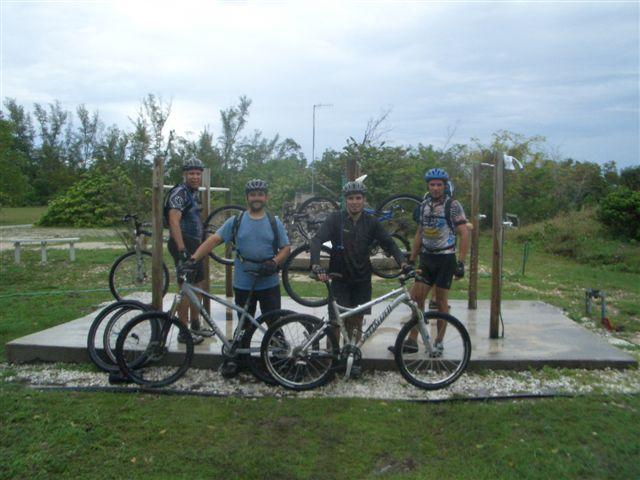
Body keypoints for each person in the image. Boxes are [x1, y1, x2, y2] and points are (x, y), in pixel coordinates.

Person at [310, 180, 411, 377]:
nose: (355, 202)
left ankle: (353, 358)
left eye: (358, 198)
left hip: (362, 278)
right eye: (350, 198)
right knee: (335, 323)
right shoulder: (335, 219)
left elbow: (389, 244)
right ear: (345, 200)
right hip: (339, 277)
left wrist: (403, 263)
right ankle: (332, 361)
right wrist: (315, 265)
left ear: (364, 200)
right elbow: (316, 240)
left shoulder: (371, 222)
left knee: (356, 322)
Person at [389, 168, 469, 356]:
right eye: (432, 185)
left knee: (441, 302)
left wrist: (461, 262)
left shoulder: (453, 205)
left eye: (438, 185)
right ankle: (412, 341)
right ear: (428, 186)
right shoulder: (424, 205)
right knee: (417, 300)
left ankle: (439, 341)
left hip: (445, 259)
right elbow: (419, 233)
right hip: (427, 259)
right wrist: (411, 258)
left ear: (444, 186)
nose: (435, 188)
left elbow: (464, 233)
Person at [189, 179, 291, 323]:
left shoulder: (274, 222)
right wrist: (193, 259)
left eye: (260, 194)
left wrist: (274, 262)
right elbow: (213, 240)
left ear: (266, 197)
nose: (256, 198)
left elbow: (286, 248)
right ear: (247, 198)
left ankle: (277, 345)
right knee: (244, 327)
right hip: (243, 283)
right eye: (253, 195)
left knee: (274, 325)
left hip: (269, 282)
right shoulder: (235, 221)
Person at [166, 156, 207, 345]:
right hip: (183, 244)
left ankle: (196, 325)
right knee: (185, 288)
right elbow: (173, 220)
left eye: (198, 174)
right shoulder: (179, 192)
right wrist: (182, 249)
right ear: (185, 174)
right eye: (191, 173)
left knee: (198, 285)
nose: (195, 177)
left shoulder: (193, 192)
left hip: (195, 245)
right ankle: (184, 332)